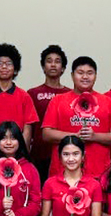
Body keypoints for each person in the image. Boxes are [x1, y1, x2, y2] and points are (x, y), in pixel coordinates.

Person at [42, 56, 111, 178]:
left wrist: (94, 136)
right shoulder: (57, 101)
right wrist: (75, 136)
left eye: (90, 73)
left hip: (99, 171)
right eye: (80, 73)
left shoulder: (108, 102)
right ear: (72, 75)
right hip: (63, 172)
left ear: (95, 76)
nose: (85, 77)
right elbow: (46, 134)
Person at [40, 136, 103, 216]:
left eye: (75, 154)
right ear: (60, 157)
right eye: (66, 154)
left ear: (83, 156)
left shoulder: (93, 185)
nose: (71, 159)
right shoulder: (50, 184)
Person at [27, 45, 72, 179]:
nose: (53, 65)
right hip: (38, 153)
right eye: (49, 61)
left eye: (57, 61)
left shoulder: (70, 94)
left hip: (65, 153)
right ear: (43, 67)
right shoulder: (32, 93)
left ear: (63, 68)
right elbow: (28, 126)